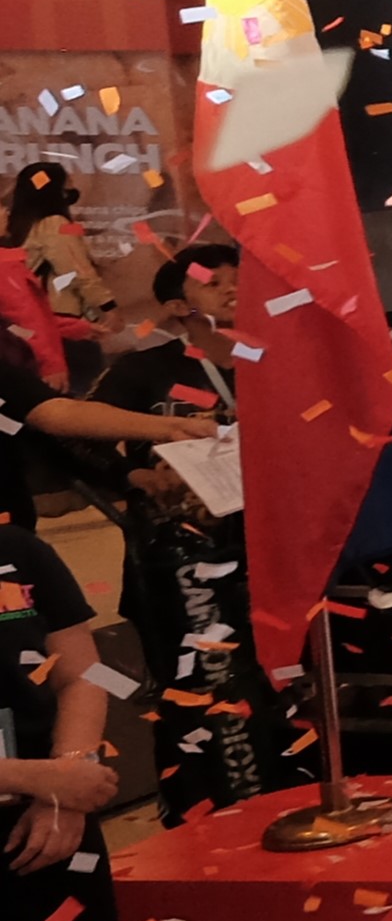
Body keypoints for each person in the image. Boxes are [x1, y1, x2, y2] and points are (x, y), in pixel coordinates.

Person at [86, 244, 285, 824]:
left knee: (274, 684)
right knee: (200, 691)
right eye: (213, 282)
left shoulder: (275, 363)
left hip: (268, 548)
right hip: (181, 564)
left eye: (238, 279)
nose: (232, 289)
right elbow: (72, 439)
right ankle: (205, 817)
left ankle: (284, 799)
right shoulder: (145, 371)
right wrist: (135, 477)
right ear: (177, 306)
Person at [0, 499, 124, 921]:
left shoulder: (19, 550)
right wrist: (41, 780)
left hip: (45, 828)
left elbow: (83, 674)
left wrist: (67, 780)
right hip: (40, 790)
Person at [8, 162, 99, 351]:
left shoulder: (16, 226)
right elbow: (76, 270)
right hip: (59, 314)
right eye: (67, 183)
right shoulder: (54, 224)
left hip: (25, 317)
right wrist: (106, 304)